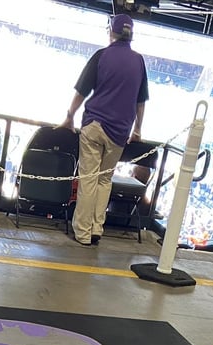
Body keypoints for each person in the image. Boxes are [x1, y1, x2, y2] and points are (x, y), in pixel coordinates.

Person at [61, 13, 149, 246]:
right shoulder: (139, 62)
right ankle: (96, 229)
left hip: (95, 124)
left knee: (88, 179)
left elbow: (81, 91)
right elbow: (141, 102)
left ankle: (82, 232)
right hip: (120, 131)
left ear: (111, 31)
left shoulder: (102, 56)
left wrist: (69, 117)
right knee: (104, 180)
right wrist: (137, 129)